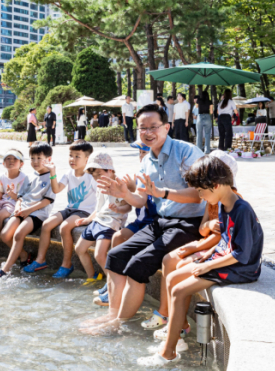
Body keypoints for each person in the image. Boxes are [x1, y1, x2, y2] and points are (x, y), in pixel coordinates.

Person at [81, 103, 205, 334]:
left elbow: (200, 194)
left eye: (153, 127)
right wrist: (124, 194)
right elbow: (140, 199)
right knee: (116, 256)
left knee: (138, 264)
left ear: (167, 127)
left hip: (189, 223)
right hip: (161, 221)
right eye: (142, 128)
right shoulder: (147, 161)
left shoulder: (186, 152)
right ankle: (112, 314)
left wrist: (163, 193)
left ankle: (119, 323)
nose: (147, 133)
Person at [139, 155, 263, 366]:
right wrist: (205, 254)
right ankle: (176, 337)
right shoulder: (224, 203)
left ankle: (168, 353)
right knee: (173, 277)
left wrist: (207, 264)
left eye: (201, 191)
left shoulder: (242, 210)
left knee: (179, 290)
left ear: (214, 185)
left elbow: (241, 254)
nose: (201, 197)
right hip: (223, 259)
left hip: (240, 269)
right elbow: (226, 239)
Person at [141, 150, 239, 332]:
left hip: (214, 248)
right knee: (168, 259)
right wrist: (209, 224)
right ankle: (166, 314)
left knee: (179, 265)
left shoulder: (229, 203)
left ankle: (179, 323)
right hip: (206, 242)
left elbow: (222, 240)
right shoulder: (211, 200)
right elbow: (203, 229)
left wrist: (193, 248)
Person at [92, 140, 157, 305]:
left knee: (120, 241)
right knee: (118, 238)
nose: (141, 156)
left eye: (144, 152)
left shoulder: (155, 173)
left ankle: (116, 289)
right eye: (140, 153)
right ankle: (111, 286)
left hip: (150, 221)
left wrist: (131, 189)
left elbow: (143, 200)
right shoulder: (141, 172)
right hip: (141, 220)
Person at [23, 140, 97, 278]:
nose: (72, 159)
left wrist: (91, 218)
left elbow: (100, 200)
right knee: (46, 224)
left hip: (84, 211)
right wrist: (53, 172)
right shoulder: (69, 174)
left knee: (64, 227)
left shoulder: (91, 176)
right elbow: (56, 190)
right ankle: (40, 260)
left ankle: (66, 264)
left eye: (77, 156)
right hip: (70, 209)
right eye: (70, 155)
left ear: (87, 159)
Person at [0, 142, 55, 279]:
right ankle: (24, 255)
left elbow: (47, 201)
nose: (35, 162)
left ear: (48, 159)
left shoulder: (51, 178)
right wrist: (18, 206)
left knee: (18, 234)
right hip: (22, 210)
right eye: (32, 158)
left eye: (39, 158)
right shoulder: (29, 176)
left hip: (37, 213)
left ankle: (4, 270)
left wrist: (28, 210)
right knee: (5, 235)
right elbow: (20, 197)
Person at [73, 151, 131, 291]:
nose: (96, 177)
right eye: (93, 175)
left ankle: (112, 284)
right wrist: (88, 219)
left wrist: (118, 209)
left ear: (110, 170)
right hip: (97, 221)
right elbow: (99, 208)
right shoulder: (100, 185)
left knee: (100, 255)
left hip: (111, 223)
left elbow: (129, 206)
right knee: (79, 248)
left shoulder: (119, 185)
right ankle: (92, 276)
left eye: (99, 173)